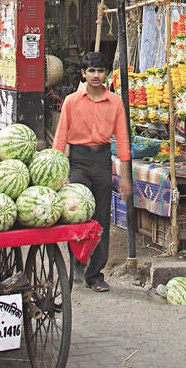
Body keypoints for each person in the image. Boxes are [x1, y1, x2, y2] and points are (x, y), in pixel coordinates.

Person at [53, 52, 131, 293]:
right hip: (78, 161)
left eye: (100, 71)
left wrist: (125, 176)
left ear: (106, 74)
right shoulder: (71, 101)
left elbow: (123, 139)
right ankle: (77, 260)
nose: (96, 76)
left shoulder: (116, 102)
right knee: (76, 214)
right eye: (91, 71)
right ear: (83, 74)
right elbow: (60, 138)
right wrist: (55, 172)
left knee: (100, 219)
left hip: (102, 161)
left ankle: (95, 274)